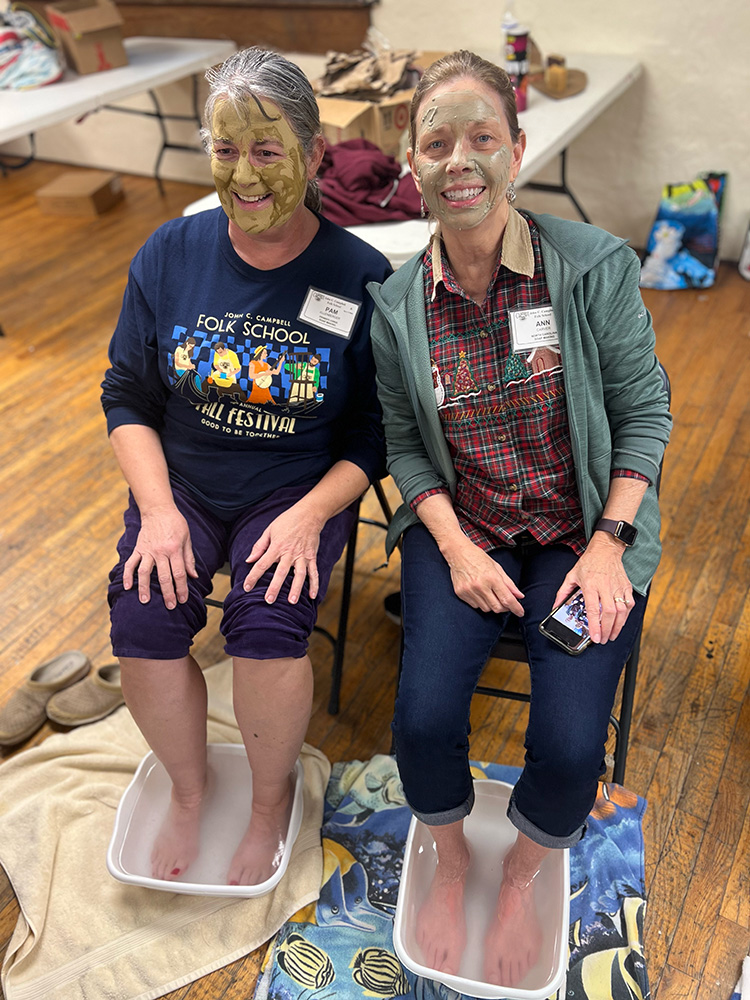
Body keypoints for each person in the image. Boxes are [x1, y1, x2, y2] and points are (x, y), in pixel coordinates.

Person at [368, 51, 671, 986]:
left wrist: (612, 544)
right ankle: (453, 852)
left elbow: (645, 414)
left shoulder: (589, 269)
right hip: (469, 528)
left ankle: (526, 872)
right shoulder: (395, 306)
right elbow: (407, 450)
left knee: (572, 742)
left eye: (482, 138)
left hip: (582, 532)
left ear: (517, 150)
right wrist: (454, 549)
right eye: (437, 142)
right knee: (419, 723)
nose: (460, 160)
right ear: (411, 164)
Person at [101, 47, 390, 887]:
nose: (246, 174)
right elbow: (127, 395)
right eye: (227, 150)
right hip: (182, 485)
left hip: (294, 489)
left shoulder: (358, 275)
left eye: (268, 151)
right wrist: (156, 513)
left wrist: (309, 515)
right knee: (145, 617)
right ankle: (190, 793)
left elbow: (373, 434)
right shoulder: (170, 252)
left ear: (314, 153)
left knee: (266, 627)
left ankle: (268, 804)